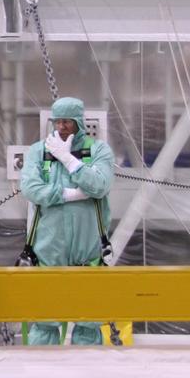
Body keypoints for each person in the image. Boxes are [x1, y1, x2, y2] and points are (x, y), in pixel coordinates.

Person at [19, 96, 113, 347]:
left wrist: (70, 161)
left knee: (89, 319)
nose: (61, 127)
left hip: (89, 247)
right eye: (57, 122)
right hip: (49, 248)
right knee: (45, 319)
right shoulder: (39, 151)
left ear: (79, 123)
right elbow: (31, 188)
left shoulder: (99, 150)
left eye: (67, 122)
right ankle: (43, 376)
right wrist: (67, 194)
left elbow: (100, 185)